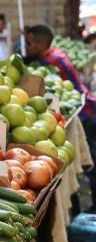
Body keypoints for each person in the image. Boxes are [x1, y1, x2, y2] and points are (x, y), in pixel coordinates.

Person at [25, 25, 96, 212]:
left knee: (93, 164)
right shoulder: (53, 55)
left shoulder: (51, 61)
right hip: (87, 107)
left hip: (86, 112)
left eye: (29, 43)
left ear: (41, 44)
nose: (26, 46)